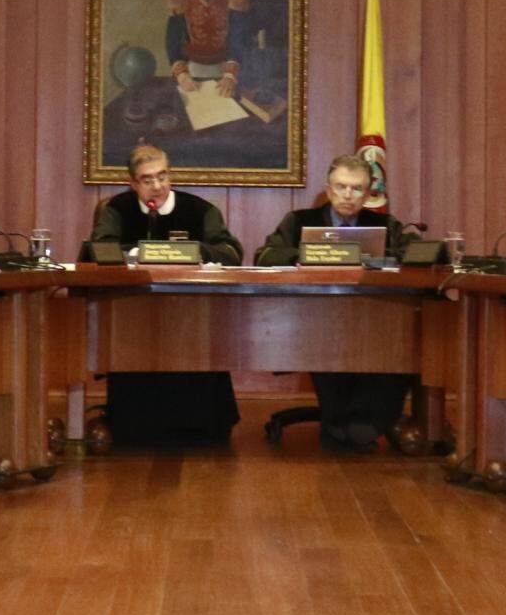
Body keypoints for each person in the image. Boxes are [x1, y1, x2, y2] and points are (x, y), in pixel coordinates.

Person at [256, 153, 419, 450]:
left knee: (404, 341)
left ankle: (365, 423)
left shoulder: (384, 225)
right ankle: (343, 425)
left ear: (368, 193)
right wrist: (312, 256)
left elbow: (414, 253)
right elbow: (265, 255)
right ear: (328, 190)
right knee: (330, 337)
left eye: (356, 189)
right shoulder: (299, 221)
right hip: (314, 317)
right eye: (341, 187)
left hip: (374, 316)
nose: (347, 195)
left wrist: (380, 258)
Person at [89, 145, 243, 444]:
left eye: (163, 176)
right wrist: (137, 253)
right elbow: (98, 250)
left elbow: (231, 252)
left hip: (193, 313)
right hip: (134, 312)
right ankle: (135, 427)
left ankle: (203, 428)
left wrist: (196, 250)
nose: (157, 186)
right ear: (133, 183)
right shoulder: (117, 209)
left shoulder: (200, 210)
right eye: (147, 180)